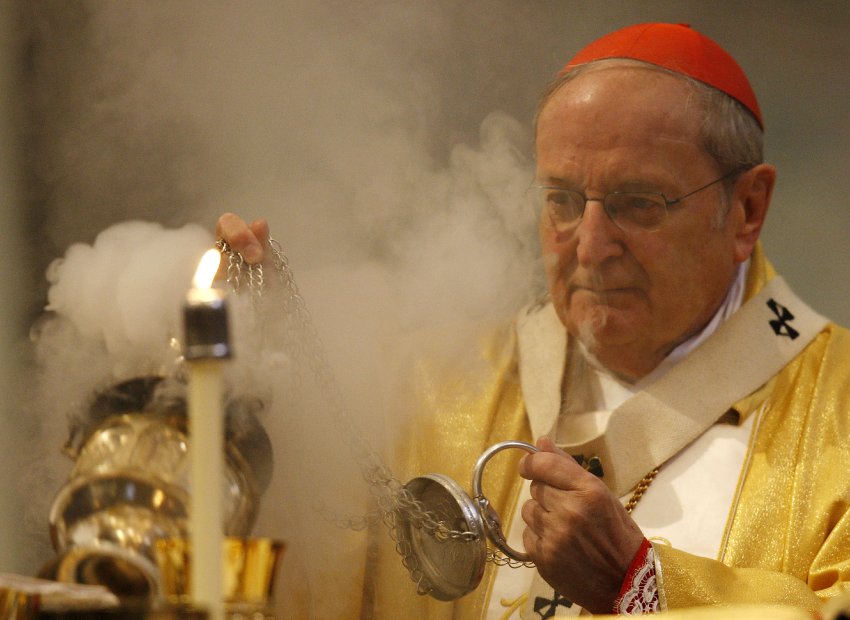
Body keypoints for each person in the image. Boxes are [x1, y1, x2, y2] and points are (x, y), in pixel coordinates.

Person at [216, 23, 850, 619]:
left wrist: (642, 586)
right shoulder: (429, 384)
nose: (590, 247)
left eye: (639, 203)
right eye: (562, 201)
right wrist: (258, 401)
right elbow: (302, 565)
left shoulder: (838, 413)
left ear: (747, 209)